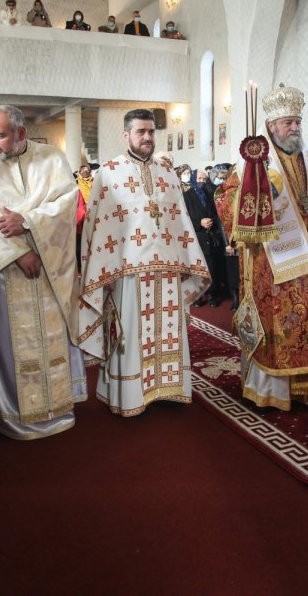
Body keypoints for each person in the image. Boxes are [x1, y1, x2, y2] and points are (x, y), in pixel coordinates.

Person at [0, 105, 86, 438]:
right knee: (12, 342)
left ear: (21, 133)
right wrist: (19, 254)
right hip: (4, 272)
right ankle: (12, 412)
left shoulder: (53, 159)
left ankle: (58, 406)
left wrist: (28, 222)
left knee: (51, 337)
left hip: (50, 268)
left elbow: (65, 203)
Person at [215, 84, 308, 409]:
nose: (295, 128)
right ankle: (272, 391)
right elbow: (225, 198)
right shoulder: (254, 163)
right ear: (271, 126)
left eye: (298, 122)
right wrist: (255, 196)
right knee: (279, 325)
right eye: (288, 122)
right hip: (271, 264)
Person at [77, 109, 210, 416]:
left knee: (168, 332)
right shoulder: (108, 173)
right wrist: (100, 270)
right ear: (126, 135)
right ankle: (132, 395)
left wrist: (186, 261)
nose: (148, 137)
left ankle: (168, 388)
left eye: (151, 132)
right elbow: (97, 225)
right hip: (128, 270)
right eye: (141, 132)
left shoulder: (167, 173)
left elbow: (182, 222)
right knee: (133, 335)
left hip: (167, 269)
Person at [183, 168, 228, 306]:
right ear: (193, 179)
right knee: (199, 268)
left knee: (213, 267)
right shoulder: (187, 196)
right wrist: (199, 223)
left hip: (211, 234)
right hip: (197, 237)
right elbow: (184, 217)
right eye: (199, 179)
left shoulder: (210, 193)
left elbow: (217, 213)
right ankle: (198, 296)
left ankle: (213, 294)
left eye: (204, 179)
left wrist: (211, 221)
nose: (202, 182)